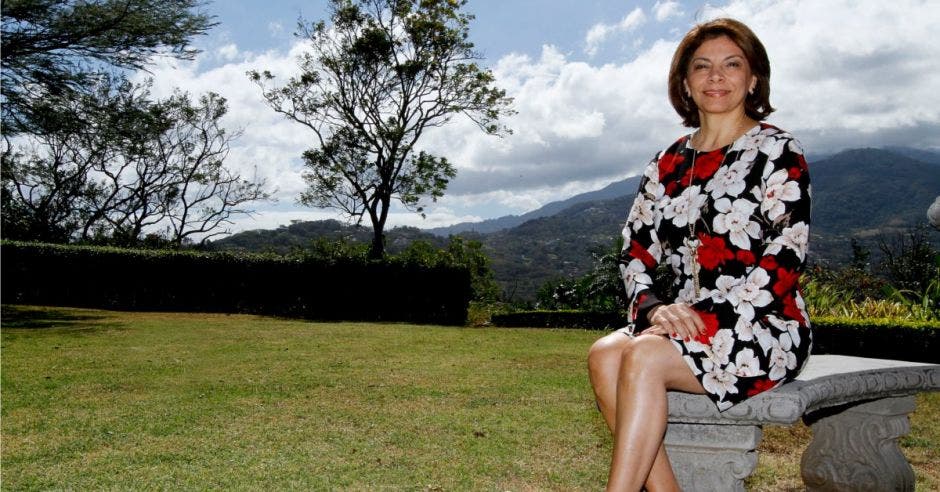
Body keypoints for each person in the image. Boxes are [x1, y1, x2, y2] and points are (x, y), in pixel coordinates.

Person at [587, 18, 812, 491]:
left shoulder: (776, 150)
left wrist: (703, 315)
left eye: (732, 65)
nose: (716, 77)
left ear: (753, 79)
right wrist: (652, 308)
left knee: (645, 355)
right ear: (685, 83)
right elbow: (635, 248)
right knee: (605, 354)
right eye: (702, 66)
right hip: (682, 323)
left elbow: (785, 256)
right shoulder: (667, 162)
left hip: (765, 324)